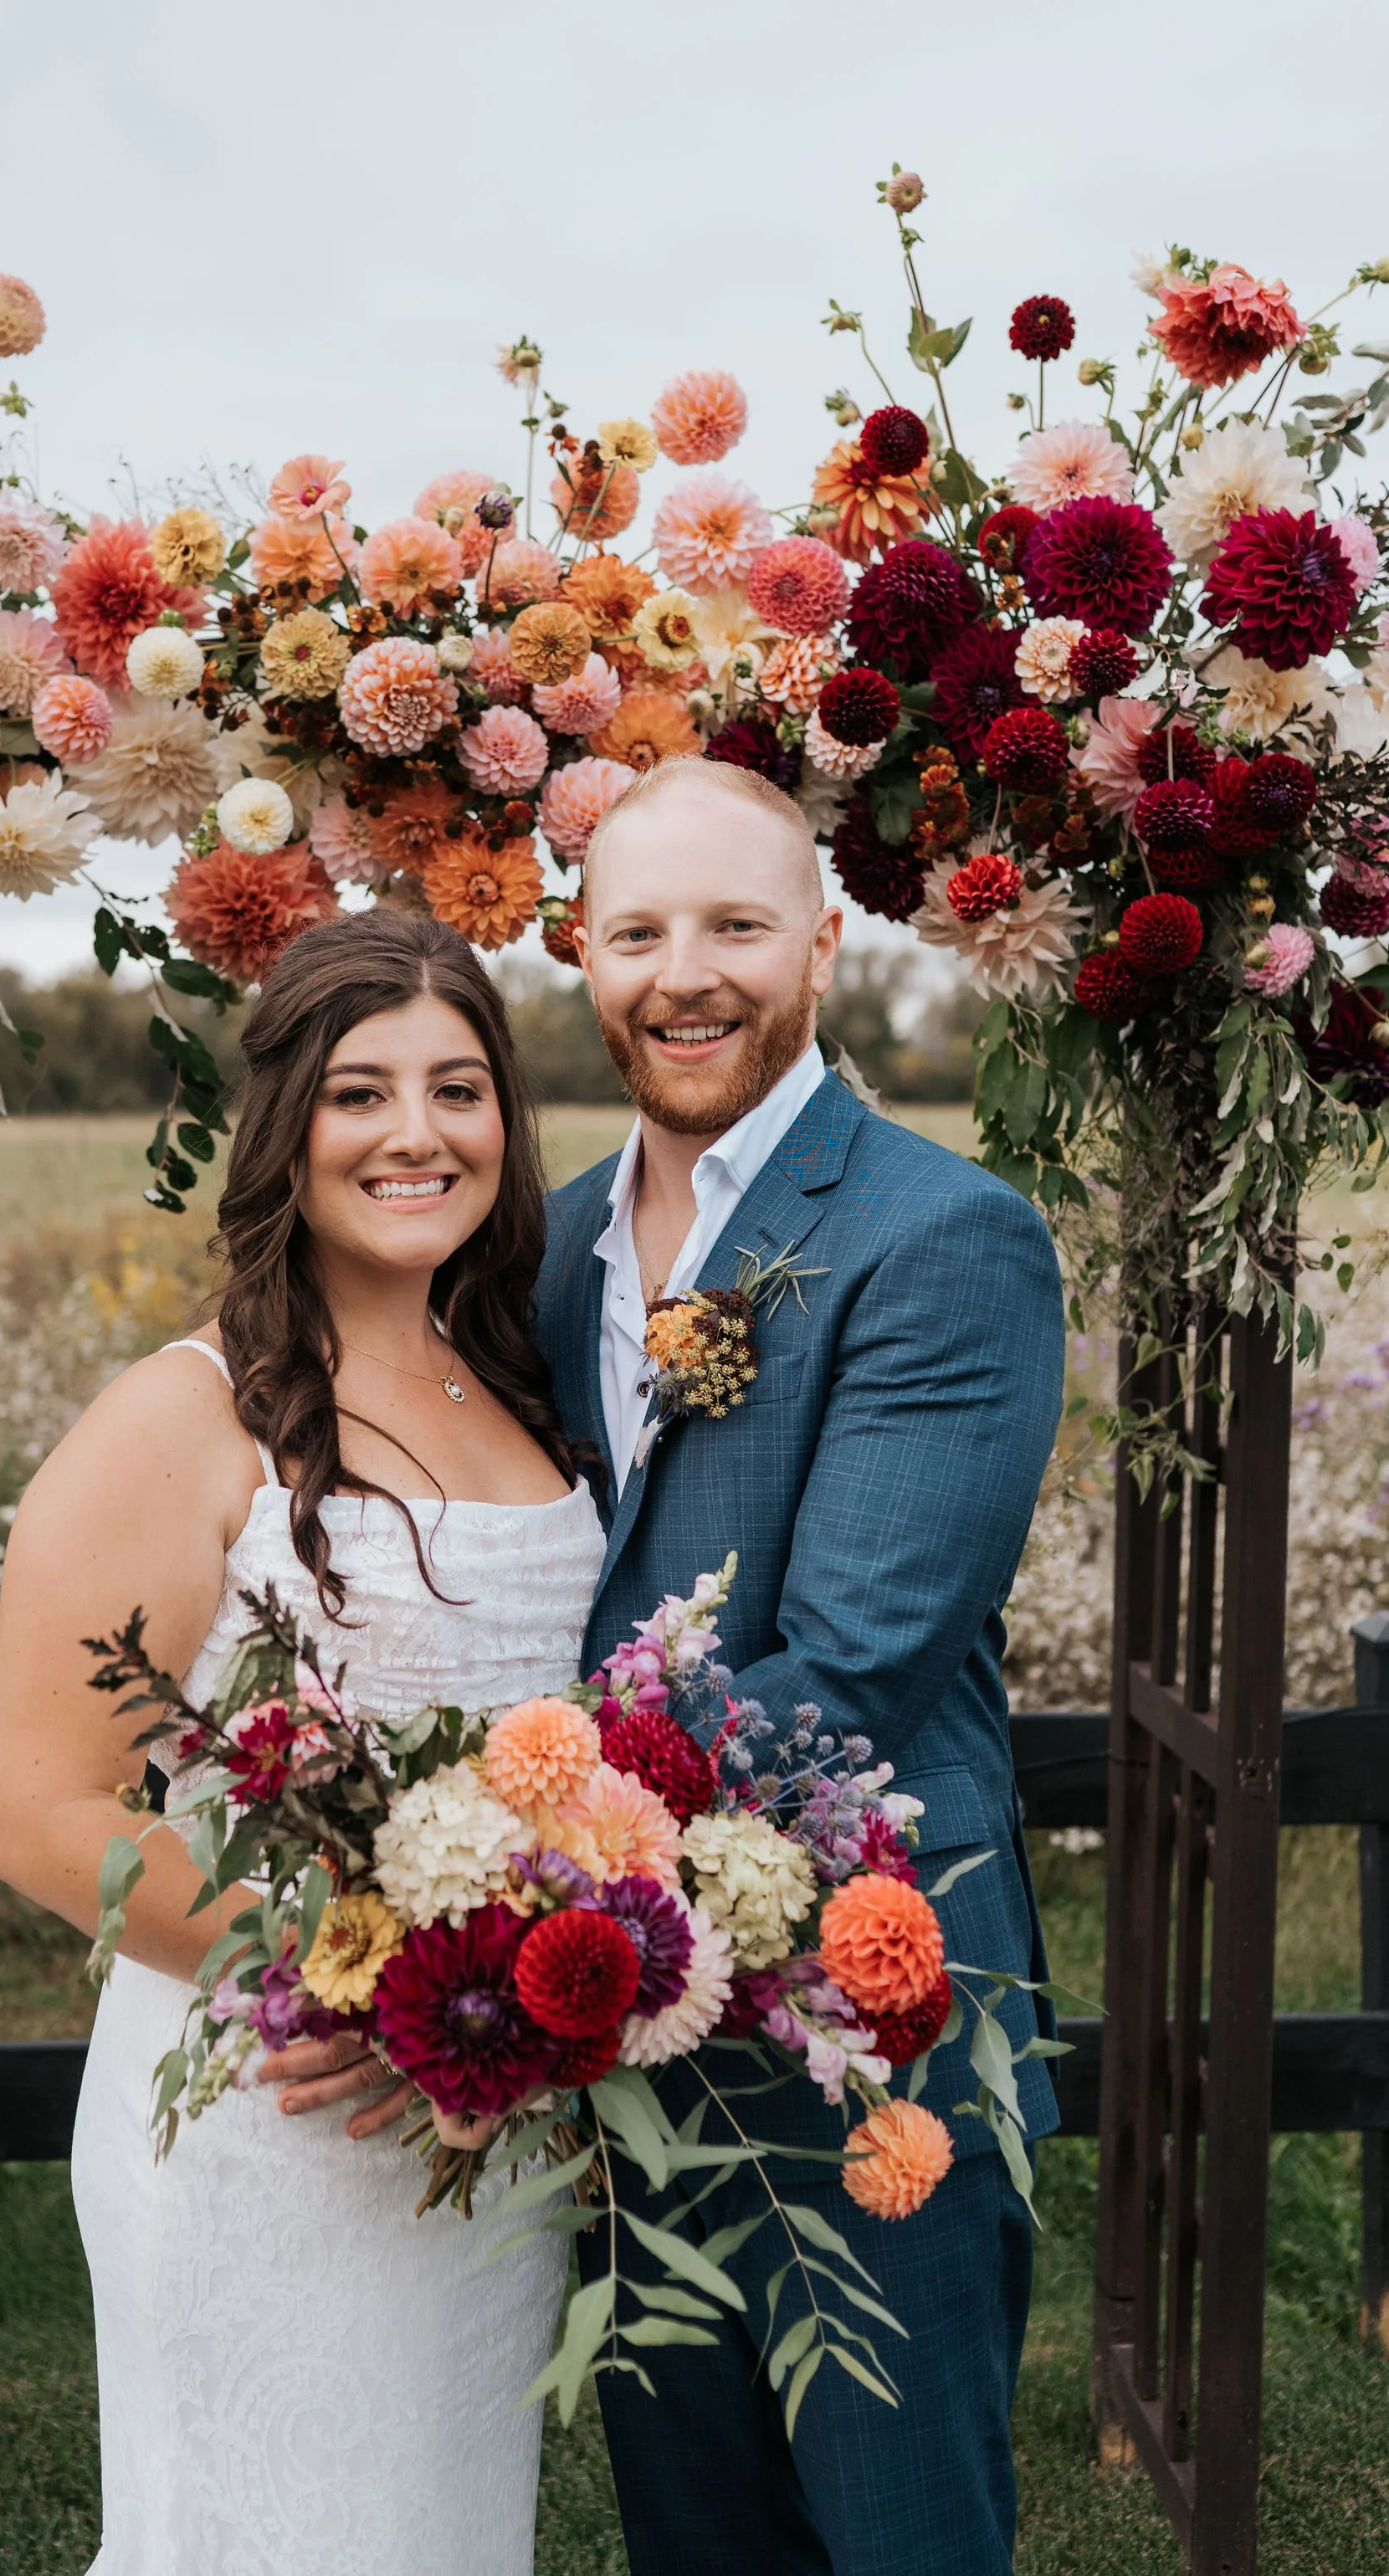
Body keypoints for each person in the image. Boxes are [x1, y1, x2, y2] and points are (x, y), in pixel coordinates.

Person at [0, 911, 605, 2576]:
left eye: (459, 1088)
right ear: (286, 1130)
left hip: (486, 2121)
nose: (419, 1133)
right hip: (276, 2104)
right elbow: (44, 1814)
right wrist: (361, 1991)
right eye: (361, 1094)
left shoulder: (520, 1382)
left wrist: (502, 2016)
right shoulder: (187, 1416)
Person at [533, 757, 1066, 2576]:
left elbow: (851, 1669)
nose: (685, 974)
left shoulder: (941, 1236)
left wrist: (482, 1844)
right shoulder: (542, 1250)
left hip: (869, 2029)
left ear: (822, 943)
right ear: (578, 954)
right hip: (616, 2030)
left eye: (736, 926)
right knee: (694, 2538)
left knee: (899, 2538)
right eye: (638, 932)